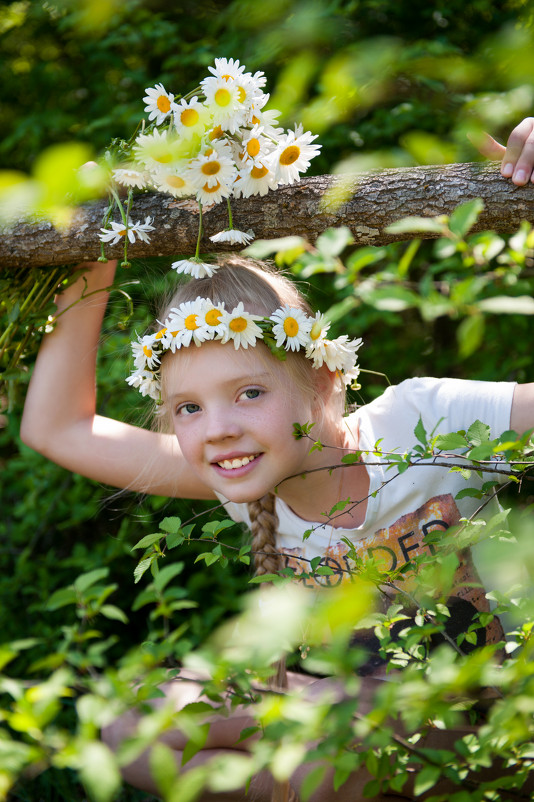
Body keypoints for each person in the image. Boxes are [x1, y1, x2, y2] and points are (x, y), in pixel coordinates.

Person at [19, 120, 534, 802]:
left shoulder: (423, 418)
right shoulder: (241, 478)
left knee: (321, 754)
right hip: (343, 706)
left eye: (249, 392)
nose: (219, 430)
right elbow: (57, 428)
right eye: (189, 409)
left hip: (479, 711)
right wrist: (96, 245)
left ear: (325, 381)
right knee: (132, 727)